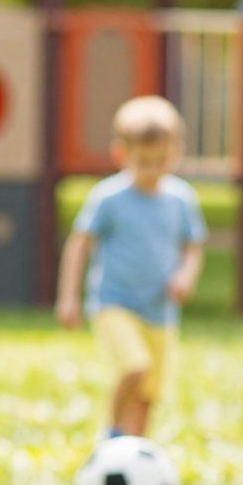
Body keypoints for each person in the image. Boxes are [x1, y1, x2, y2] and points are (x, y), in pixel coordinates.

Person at [54, 96, 207, 439]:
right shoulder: (109, 198)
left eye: (161, 160)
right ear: (121, 154)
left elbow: (193, 248)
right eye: (143, 161)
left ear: (176, 152)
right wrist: (68, 297)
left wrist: (186, 276)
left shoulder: (181, 200)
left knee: (150, 393)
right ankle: (112, 434)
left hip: (161, 312)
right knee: (135, 368)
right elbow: (79, 245)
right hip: (115, 303)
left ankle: (137, 450)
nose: (152, 169)